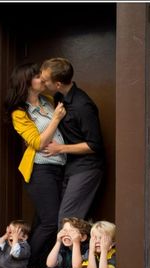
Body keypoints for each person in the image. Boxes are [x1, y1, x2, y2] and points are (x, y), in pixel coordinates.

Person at [4, 63, 66, 268]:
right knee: (51, 222)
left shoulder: (48, 102)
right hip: (40, 170)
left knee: (43, 222)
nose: (43, 79)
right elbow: (38, 143)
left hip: (59, 168)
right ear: (26, 82)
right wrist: (56, 119)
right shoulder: (19, 114)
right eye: (38, 76)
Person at [40, 58, 105, 228]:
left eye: (45, 80)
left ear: (59, 84)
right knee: (68, 219)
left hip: (87, 167)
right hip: (70, 167)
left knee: (66, 219)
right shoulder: (58, 97)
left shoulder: (83, 105)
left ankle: (66, 255)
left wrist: (60, 148)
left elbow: (94, 145)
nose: (42, 82)